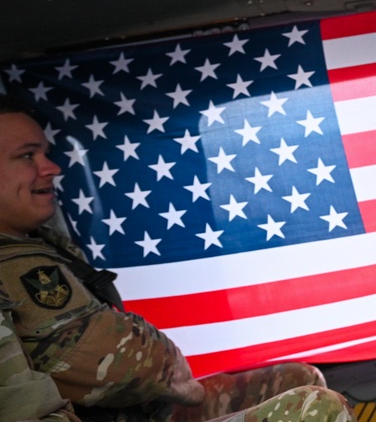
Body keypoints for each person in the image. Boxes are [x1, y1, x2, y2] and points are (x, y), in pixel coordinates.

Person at [0, 94, 356, 422]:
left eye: (45, 153)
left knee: (300, 376)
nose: (51, 168)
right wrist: (171, 368)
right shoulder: (14, 264)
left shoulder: (40, 242)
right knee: (318, 409)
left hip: (140, 410)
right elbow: (108, 365)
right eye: (27, 155)